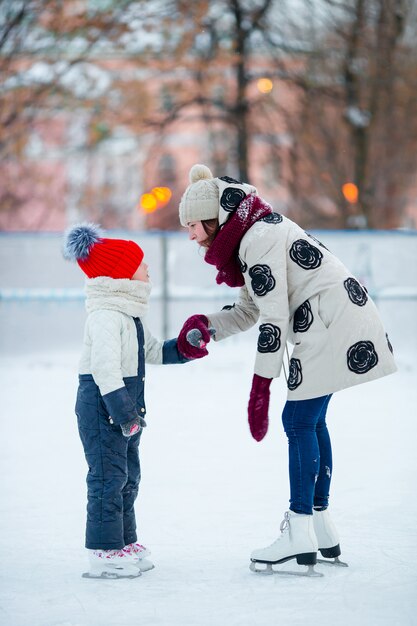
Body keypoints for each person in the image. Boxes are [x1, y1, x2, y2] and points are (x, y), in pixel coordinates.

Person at [178, 164, 397, 575]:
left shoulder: (258, 238)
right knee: (310, 422)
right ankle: (319, 526)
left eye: (192, 225)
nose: (189, 235)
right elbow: (250, 309)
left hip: (331, 324)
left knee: (297, 421)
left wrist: (261, 386)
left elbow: (274, 318)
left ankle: (300, 529)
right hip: (342, 320)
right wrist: (207, 326)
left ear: (212, 219)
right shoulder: (253, 233)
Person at [62, 223, 211, 579]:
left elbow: (155, 351)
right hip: (103, 407)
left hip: (122, 410)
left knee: (127, 476)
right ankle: (103, 551)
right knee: (107, 477)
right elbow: (104, 370)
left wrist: (187, 347)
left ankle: (123, 542)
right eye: (142, 264)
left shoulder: (129, 316)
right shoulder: (105, 316)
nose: (148, 270)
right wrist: (124, 414)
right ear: (122, 274)